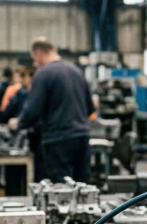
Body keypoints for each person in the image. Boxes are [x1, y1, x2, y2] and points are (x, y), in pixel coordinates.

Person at [15, 37, 95, 183]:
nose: (35, 63)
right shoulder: (76, 71)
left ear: (38, 53)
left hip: (58, 140)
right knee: (82, 187)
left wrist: (18, 123)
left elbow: (32, 111)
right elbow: (90, 108)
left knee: (61, 189)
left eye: (34, 58)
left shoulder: (43, 74)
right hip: (82, 138)